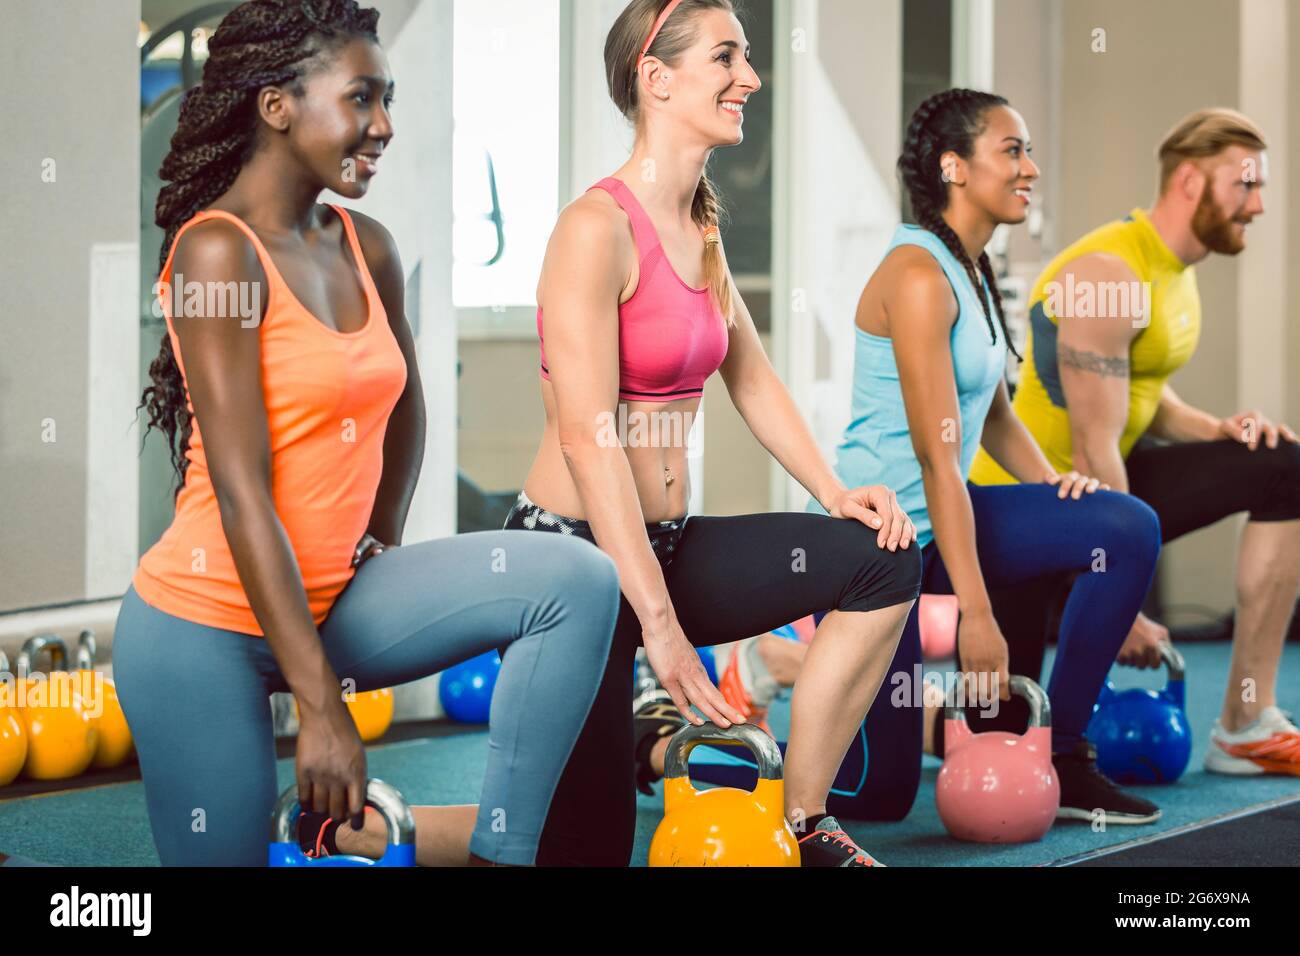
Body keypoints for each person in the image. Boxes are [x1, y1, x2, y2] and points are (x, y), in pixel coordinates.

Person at [118, 0, 620, 867]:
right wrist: (321, 706)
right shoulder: (215, 253)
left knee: (575, 579)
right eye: (362, 99)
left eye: (387, 100)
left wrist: (379, 537)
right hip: (203, 629)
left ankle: (504, 852)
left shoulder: (366, 245)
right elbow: (242, 489)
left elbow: (406, 405)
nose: (383, 126)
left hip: (337, 600)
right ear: (277, 106)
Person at [661, 89, 1166, 828]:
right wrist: (977, 614)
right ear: (954, 167)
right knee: (878, 795)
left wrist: (1057, 491)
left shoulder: (974, 268)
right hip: (880, 538)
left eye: (1028, 150)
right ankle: (675, 743)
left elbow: (990, 413)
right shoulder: (918, 275)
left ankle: (1063, 753)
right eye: (1012, 150)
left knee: (1120, 527)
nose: (1030, 168)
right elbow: (936, 459)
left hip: (949, 520)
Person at [503, 0, 923, 867]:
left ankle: (800, 825)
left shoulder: (701, 222)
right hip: (573, 568)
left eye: (749, 58)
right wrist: (659, 623)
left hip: (666, 541)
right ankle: (359, 827)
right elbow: (590, 439)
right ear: (656, 79)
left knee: (882, 560)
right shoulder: (594, 230)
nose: (751, 79)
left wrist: (835, 493)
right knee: (582, 852)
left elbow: (752, 375)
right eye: (727, 58)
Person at [970, 107, 1300, 776]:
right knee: (1002, 737)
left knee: (1283, 466)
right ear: (1189, 182)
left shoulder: (1175, 270)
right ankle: (781, 667)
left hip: (1102, 482)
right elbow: (1095, 447)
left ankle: (1246, 722)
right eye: (1245, 185)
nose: (1259, 205)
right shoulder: (1105, 275)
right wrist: (1123, 605)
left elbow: (1142, 394)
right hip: (1028, 501)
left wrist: (1220, 431)